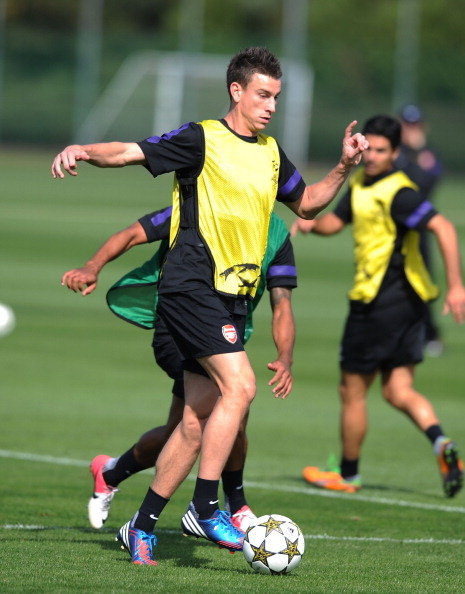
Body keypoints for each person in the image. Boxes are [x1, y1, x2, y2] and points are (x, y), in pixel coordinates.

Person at [52, 46, 368, 565]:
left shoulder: (270, 152)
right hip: (190, 287)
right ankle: (206, 504)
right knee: (240, 387)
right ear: (237, 91)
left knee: (197, 421)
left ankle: (141, 526)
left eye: (276, 97)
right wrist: (84, 150)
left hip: (233, 299)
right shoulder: (202, 138)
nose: (270, 106)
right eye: (263, 95)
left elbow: (308, 203)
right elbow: (130, 151)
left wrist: (343, 166)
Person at [61, 206, 298, 534]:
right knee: (230, 403)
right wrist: (92, 266)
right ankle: (222, 505)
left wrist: (285, 356)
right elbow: (132, 233)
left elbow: (282, 303)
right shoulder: (198, 204)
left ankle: (111, 473)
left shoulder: (276, 232)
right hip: (177, 326)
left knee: (185, 429)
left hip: (225, 336)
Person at [291, 114, 465, 498]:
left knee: (351, 391)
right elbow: (336, 223)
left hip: (380, 303)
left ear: (396, 152)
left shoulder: (399, 192)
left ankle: (348, 475)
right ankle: (441, 443)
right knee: (398, 389)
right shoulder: (360, 185)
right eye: (367, 148)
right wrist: (310, 223)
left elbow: (445, 228)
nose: (371, 157)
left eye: (381, 150)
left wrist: (456, 286)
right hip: (410, 305)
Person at [395, 104, 444, 355]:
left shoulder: (428, 153)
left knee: (423, 281)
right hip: (391, 228)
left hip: (418, 226)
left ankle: (430, 333)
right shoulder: (394, 151)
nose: (409, 130)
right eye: (406, 124)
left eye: (414, 125)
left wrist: (418, 154)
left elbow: (427, 183)